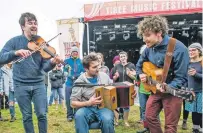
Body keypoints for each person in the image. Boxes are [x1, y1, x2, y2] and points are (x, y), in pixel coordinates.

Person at [0, 12, 61, 133]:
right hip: (20, 85)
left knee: (42, 115)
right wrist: (15, 53)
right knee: (27, 116)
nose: (34, 25)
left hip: (39, 84)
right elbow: (1, 57)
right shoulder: (14, 42)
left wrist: (53, 63)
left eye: (35, 23)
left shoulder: (41, 42)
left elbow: (44, 68)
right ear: (23, 26)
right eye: (30, 23)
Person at [136, 15, 189, 133]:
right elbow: (139, 65)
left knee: (170, 127)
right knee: (149, 117)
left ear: (159, 32)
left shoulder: (179, 49)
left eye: (148, 35)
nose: (144, 39)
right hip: (155, 90)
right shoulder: (148, 48)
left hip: (173, 92)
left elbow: (182, 77)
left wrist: (168, 86)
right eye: (143, 35)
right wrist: (140, 74)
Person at [70, 53, 114, 133]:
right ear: (86, 69)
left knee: (107, 119)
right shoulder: (79, 82)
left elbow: (114, 89)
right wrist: (88, 102)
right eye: (94, 67)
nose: (97, 69)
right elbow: (72, 103)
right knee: (79, 115)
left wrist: (128, 95)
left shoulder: (104, 76)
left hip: (103, 108)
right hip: (86, 109)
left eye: (98, 65)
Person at [112, 51, 136, 127]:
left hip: (127, 88)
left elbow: (135, 77)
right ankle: (116, 121)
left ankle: (125, 121)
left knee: (126, 105)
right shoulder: (116, 66)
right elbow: (113, 78)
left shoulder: (131, 65)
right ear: (120, 58)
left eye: (124, 56)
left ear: (127, 57)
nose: (123, 58)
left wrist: (129, 74)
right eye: (121, 57)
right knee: (116, 104)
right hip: (117, 87)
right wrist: (116, 77)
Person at [185, 43, 202, 133]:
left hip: (201, 91)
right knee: (193, 111)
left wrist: (196, 74)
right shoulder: (188, 62)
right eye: (190, 50)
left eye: (193, 50)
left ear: (199, 51)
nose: (191, 52)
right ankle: (195, 129)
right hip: (190, 91)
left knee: (200, 111)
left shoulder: (202, 62)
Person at [64, 46, 84, 122]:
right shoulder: (67, 61)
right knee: (68, 99)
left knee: (77, 98)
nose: (75, 53)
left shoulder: (81, 61)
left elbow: (83, 72)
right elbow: (64, 72)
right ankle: (69, 115)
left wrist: (77, 76)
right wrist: (69, 75)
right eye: (73, 52)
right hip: (69, 83)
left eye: (76, 52)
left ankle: (76, 114)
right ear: (71, 53)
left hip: (78, 83)